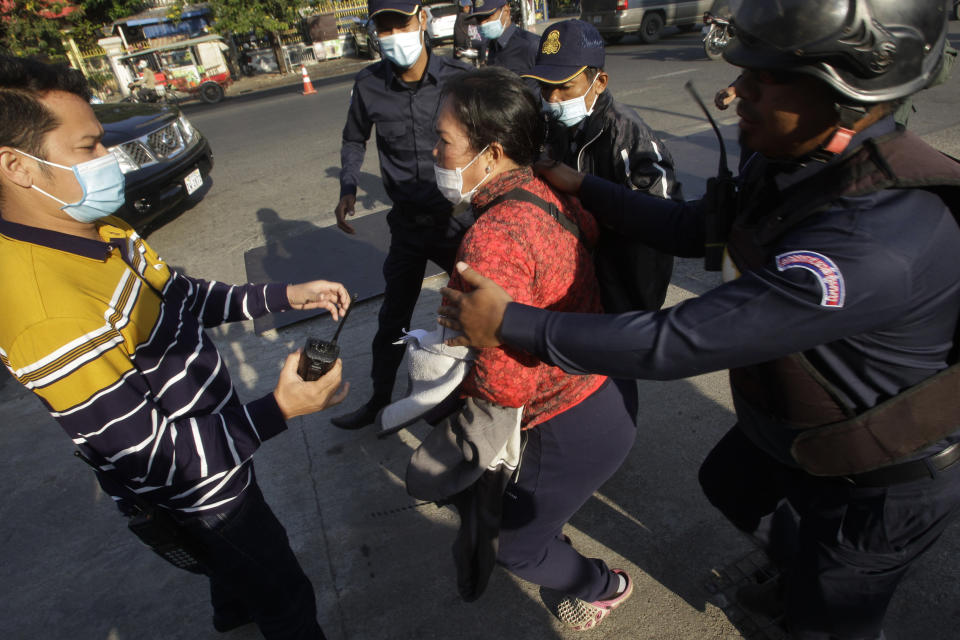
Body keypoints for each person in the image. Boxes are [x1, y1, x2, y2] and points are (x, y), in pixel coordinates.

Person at [437, 1, 960, 638]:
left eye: (762, 81)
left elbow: (683, 340)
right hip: (803, 423)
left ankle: (816, 588)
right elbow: (696, 227)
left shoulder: (872, 241)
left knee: (831, 618)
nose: (732, 93)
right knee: (731, 483)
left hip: (878, 471)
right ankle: (800, 567)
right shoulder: (802, 164)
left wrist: (514, 323)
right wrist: (587, 187)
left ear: (846, 91)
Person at [0, 55, 351, 639]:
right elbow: (154, 456)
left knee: (242, 578)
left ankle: (231, 610)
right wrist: (282, 408)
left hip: (220, 441)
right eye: (88, 149)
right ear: (18, 166)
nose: (108, 160)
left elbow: (180, 296)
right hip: (202, 492)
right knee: (285, 597)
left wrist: (285, 294)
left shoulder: (96, 227)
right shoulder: (44, 312)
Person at [433, 66, 638, 630]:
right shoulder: (541, 186)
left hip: (568, 420)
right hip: (607, 387)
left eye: (443, 141)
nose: (433, 151)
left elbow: (508, 385)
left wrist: (454, 359)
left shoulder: (491, 239)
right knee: (538, 513)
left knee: (516, 549)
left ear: (491, 152)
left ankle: (604, 585)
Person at [332, 0, 474, 430]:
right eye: (385, 26)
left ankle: (479, 398)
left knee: (477, 310)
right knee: (392, 318)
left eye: (402, 23)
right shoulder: (369, 84)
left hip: (458, 223)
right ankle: (379, 400)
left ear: (423, 20)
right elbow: (354, 138)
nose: (394, 35)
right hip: (408, 227)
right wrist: (348, 186)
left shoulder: (460, 81)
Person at [523, 19, 682, 312]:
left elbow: (662, 218)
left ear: (599, 82)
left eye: (565, 88)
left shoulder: (627, 134)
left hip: (623, 292)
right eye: (545, 88)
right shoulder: (548, 126)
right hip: (574, 283)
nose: (553, 99)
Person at [469, 0, 538, 78]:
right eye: (479, 19)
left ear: (506, 11)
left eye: (488, 17)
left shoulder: (531, 45)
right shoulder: (491, 45)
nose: (482, 23)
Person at [453, 0, 480, 65]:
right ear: (463, 8)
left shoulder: (459, 15)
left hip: (460, 45)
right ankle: (482, 63)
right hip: (464, 45)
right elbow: (476, 21)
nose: (468, 9)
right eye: (466, 7)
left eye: (468, 7)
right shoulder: (464, 16)